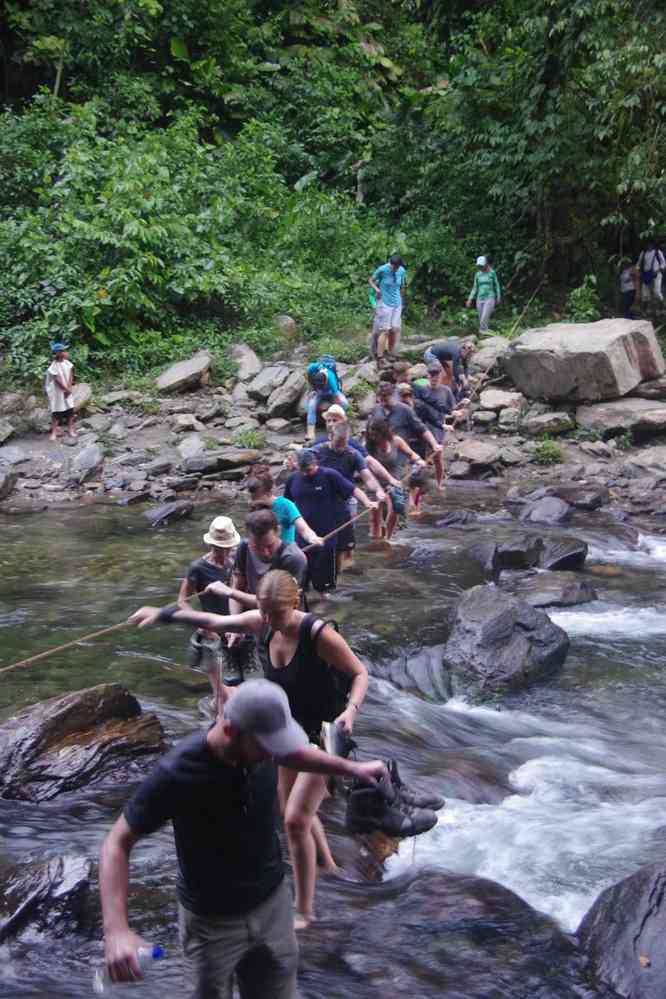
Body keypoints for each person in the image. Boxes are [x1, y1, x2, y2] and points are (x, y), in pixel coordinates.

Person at [99, 674, 386, 997]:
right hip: (211, 925)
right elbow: (116, 843)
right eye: (267, 744)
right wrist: (116, 930)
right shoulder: (178, 773)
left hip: (273, 905)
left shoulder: (259, 745)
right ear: (231, 730)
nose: (274, 752)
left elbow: (290, 754)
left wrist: (352, 769)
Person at [284, 449, 377, 594]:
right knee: (300, 583)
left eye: (308, 470)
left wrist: (367, 501)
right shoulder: (293, 479)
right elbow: (287, 505)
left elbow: (353, 490)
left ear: (315, 463)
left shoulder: (329, 475)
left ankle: (325, 606)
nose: (305, 474)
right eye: (302, 470)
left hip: (326, 536)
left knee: (325, 586)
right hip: (301, 537)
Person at [177, 516, 247, 694]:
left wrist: (240, 624)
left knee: (243, 681)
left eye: (226, 548)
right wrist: (203, 626)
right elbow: (182, 601)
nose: (222, 552)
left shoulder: (234, 562)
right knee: (222, 687)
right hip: (212, 630)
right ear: (211, 545)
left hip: (234, 628)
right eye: (218, 548)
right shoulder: (197, 568)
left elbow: (237, 594)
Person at [312, 421, 386, 573]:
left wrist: (378, 490)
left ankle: (339, 571)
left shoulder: (353, 454)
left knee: (343, 542)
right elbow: (301, 464)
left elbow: (368, 478)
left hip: (345, 499)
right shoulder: (317, 451)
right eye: (338, 443)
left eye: (344, 443)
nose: (342, 448)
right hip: (320, 501)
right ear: (330, 436)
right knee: (319, 539)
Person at [230, 509, 308, 612]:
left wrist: (229, 592)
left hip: (285, 616)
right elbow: (238, 587)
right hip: (254, 612)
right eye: (257, 547)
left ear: (278, 531)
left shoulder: (293, 558)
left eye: (269, 546)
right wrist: (234, 621)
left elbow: (275, 603)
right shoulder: (244, 548)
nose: (265, 552)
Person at [365, 417, 425, 540]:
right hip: (375, 484)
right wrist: (377, 490)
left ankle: (388, 538)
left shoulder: (396, 441)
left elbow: (411, 454)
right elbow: (365, 469)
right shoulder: (367, 446)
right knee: (375, 518)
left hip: (395, 482)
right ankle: (376, 542)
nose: (373, 438)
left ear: (383, 432)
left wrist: (418, 460)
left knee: (396, 507)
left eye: (376, 434)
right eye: (371, 435)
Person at [245, 465, 322, 547]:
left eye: (257, 498)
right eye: (252, 498)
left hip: (285, 552)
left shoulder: (285, 505)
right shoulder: (255, 507)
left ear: (269, 492)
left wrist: (311, 537)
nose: (253, 501)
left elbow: (303, 528)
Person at [371, 381, 444, 461]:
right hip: (383, 455)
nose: (383, 402)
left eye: (386, 398)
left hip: (404, 455)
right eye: (381, 399)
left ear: (393, 395)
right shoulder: (376, 410)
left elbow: (422, 428)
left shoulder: (405, 410)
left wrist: (434, 444)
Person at [396, 379, 447, 493]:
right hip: (404, 440)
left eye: (408, 395)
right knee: (408, 470)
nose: (406, 398)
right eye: (403, 396)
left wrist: (443, 426)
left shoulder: (420, 405)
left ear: (411, 394)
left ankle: (429, 489)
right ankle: (409, 495)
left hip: (420, 440)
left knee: (419, 470)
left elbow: (431, 419)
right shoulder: (397, 408)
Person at [369, 254, 407, 358]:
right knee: (385, 330)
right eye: (395, 267)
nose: (396, 269)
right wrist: (377, 290)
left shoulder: (402, 270)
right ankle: (380, 356)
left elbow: (402, 286)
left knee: (394, 329)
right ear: (391, 264)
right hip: (385, 303)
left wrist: (402, 301)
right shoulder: (382, 269)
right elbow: (371, 280)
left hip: (397, 303)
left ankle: (391, 352)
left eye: (398, 267)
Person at [305, 358, 348, 441]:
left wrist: (333, 410)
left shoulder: (331, 378)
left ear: (325, 380)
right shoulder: (311, 370)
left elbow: (337, 397)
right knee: (311, 405)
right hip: (318, 392)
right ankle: (310, 433)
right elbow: (309, 380)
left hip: (331, 392)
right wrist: (313, 390)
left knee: (344, 403)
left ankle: (340, 428)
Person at [45, 341, 76, 441]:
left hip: (67, 389)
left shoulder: (68, 363)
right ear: (58, 353)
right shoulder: (53, 366)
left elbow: (71, 375)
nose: (65, 352)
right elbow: (56, 380)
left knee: (70, 410)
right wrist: (65, 389)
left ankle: (71, 429)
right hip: (58, 392)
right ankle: (54, 432)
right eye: (63, 351)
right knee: (56, 411)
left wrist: (69, 387)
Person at [466, 256, 501, 334]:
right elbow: (475, 287)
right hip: (479, 298)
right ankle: (485, 333)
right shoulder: (477, 274)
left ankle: (482, 331)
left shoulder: (492, 273)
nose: (480, 267)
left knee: (484, 317)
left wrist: (498, 295)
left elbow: (496, 285)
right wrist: (470, 299)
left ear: (486, 264)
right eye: (479, 266)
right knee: (481, 317)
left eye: (481, 265)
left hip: (490, 297)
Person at [637, 241, 665, 308]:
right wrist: (638, 271)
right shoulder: (643, 253)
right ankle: (645, 309)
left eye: (650, 244)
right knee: (645, 294)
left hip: (656, 274)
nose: (648, 245)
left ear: (653, 245)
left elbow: (663, 263)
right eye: (647, 244)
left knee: (657, 292)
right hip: (646, 274)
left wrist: (658, 270)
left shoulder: (657, 252)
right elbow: (638, 264)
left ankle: (662, 304)